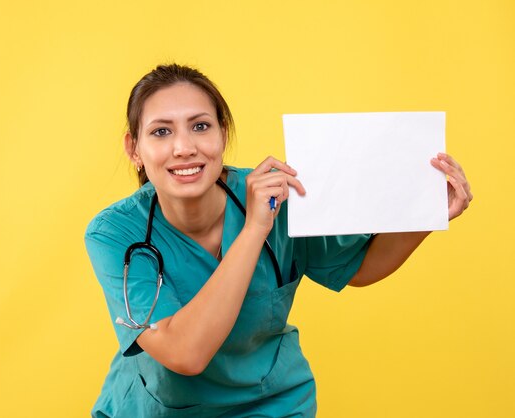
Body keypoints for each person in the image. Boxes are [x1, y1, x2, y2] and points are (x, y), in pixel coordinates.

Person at [84, 64, 472, 417]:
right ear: (134, 149)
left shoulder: (276, 197)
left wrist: (426, 215)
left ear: (222, 134)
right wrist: (254, 230)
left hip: (271, 406)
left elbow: (359, 268)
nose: (184, 147)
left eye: (200, 126)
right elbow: (185, 353)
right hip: (159, 409)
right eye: (161, 131)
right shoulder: (116, 234)